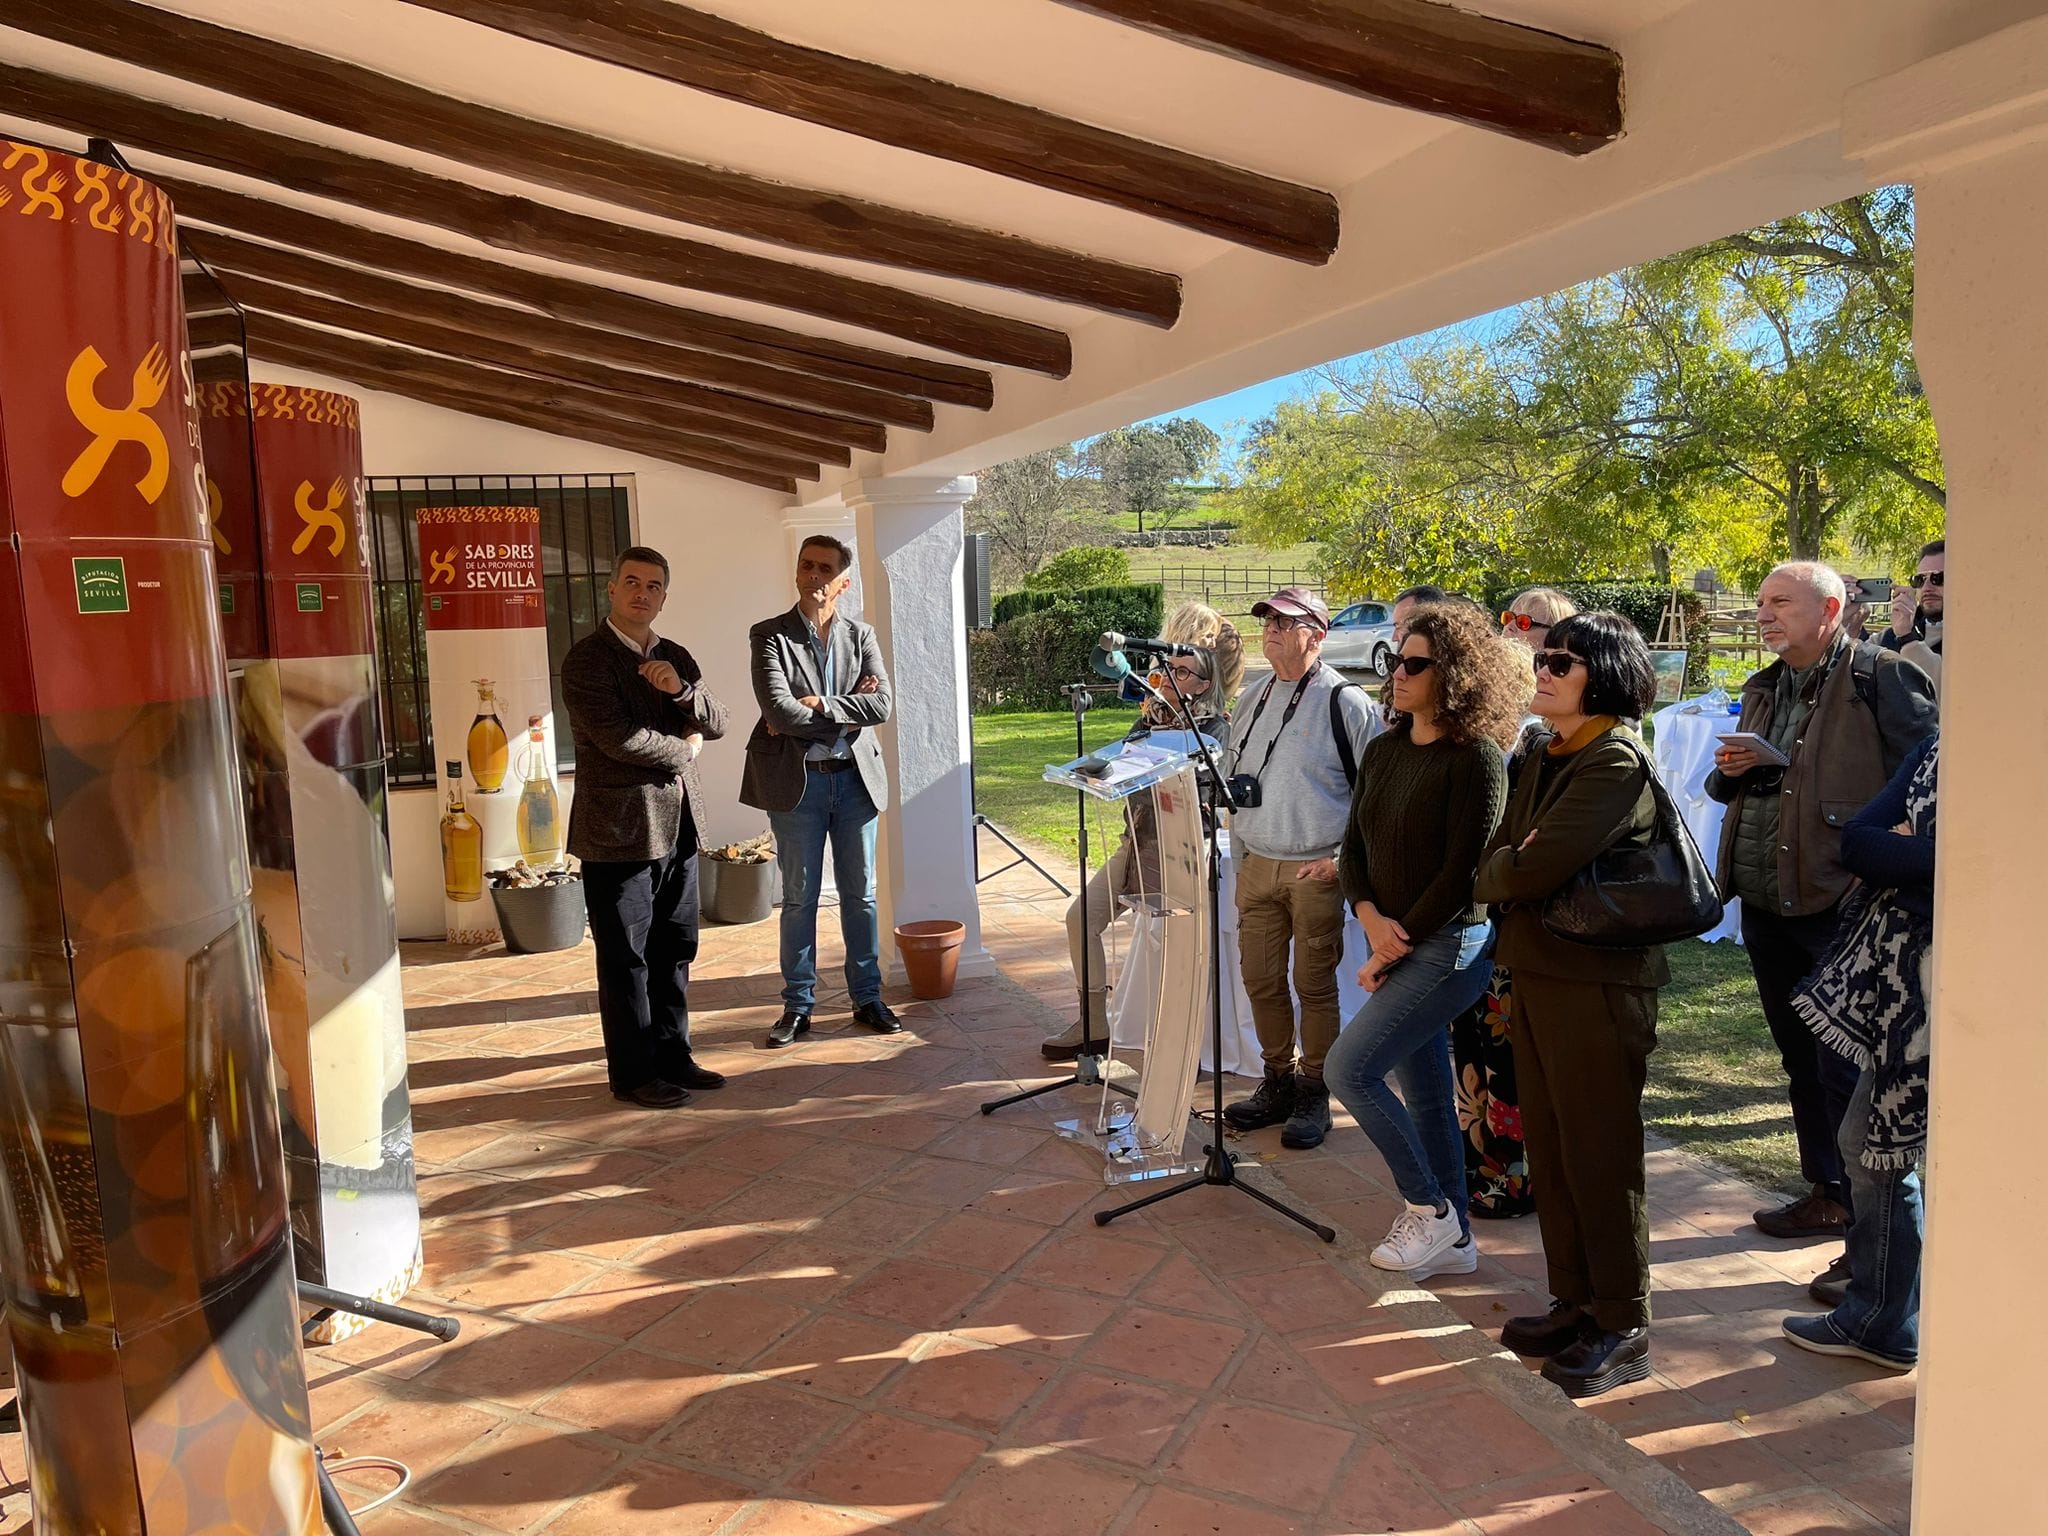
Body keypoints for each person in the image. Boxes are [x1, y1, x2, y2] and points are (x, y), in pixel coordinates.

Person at [1707, 562, 1938, 1238]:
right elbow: (1731, 789)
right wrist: (1732, 771)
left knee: (1848, 1070)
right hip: (1767, 902)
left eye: (1780, 602)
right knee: (1799, 1059)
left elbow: (1930, 775)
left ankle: (1871, 1243)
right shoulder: (1765, 685)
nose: (1763, 615)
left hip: (1845, 906)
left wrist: (1884, 851)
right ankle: (1828, 1193)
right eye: (1761, 603)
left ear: (1831, 610)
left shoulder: (1881, 676)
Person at [1474, 613, 1666, 1398]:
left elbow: (1526, 867)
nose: (1543, 670)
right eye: (1543, 657)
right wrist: (1507, 866)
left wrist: (1506, 868)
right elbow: (1502, 850)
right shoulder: (1546, 752)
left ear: (1605, 675)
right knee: (1552, 1150)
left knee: (1599, 1152)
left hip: (1597, 984)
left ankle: (1623, 1322)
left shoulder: (1614, 758)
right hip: (1539, 970)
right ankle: (1577, 1302)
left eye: (1562, 661)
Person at [1328, 601, 1526, 1280]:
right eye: (1395, 661)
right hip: (1389, 936)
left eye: (1416, 664)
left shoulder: (1478, 760)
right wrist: (1369, 919)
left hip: (1448, 947)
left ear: (1457, 675)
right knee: (1428, 1096)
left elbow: (1465, 873)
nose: (1398, 674)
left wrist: (1394, 943)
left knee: (1348, 1071)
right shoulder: (1383, 749)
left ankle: (1429, 1208)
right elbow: (1353, 848)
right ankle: (1458, 1238)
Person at [1782, 732, 1938, 1372]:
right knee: (1870, 1147)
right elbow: (1857, 842)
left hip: (1951, 994)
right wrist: (1922, 852)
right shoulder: (1936, 749)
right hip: (1902, 999)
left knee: (1885, 1153)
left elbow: (1983, 858)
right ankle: (1884, 1314)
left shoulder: (2005, 754)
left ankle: (1886, 1318)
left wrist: (1913, 850)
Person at [563, 546, 731, 1110]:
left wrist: (680, 692)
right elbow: (620, 739)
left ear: (664, 597)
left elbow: (719, 720)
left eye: (654, 585)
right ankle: (634, 1075)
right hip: (618, 833)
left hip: (679, 827)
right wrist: (686, 750)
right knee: (625, 958)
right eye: (632, 582)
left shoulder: (675, 655)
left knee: (675, 947)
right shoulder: (587, 661)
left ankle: (673, 1056)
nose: (642, 593)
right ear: (611, 589)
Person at [1220, 586, 1382, 1150]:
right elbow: (1236, 787)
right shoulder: (1253, 697)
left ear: (1318, 634)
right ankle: (1278, 1081)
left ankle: (1314, 1089)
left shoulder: (1346, 702)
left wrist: (1339, 862)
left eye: (1285, 622)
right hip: (1257, 864)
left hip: (1315, 872)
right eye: (1267, 620)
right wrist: (1243, 857)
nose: (1270, 629)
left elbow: (1377, 797)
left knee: (1313, 985)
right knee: (1260, 980)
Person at [1044, 603, 1244, 1060]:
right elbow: (1124, 765)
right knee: (1081, 918)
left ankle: (1183, 1044)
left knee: (1178, 946)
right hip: (1136, 843)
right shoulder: (1148, 721)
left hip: (1187, 851)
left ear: (1204, 684)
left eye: (1182, 673)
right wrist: (1098, 772)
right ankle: (1093, 1023)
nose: (1167, 679)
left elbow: (1202, 784)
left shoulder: (1215, 728)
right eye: (1166, 670)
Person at [1450, 587, 1581, 1219]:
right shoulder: (1493, 716)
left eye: (1530, 622)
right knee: (1474, 1046)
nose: (1513, 630)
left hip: (1526, 916)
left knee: (1513, 1053)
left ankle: (1515, 1180)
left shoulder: (1555, 733)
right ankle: (1481, 1172)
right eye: (1508, 617)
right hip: (1478, 911)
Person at [741, 534, 897, 1048]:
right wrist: (849, 711)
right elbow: (778, 710)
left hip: (855, 783)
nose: (813, 575)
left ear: (842, 582)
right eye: (806, 565)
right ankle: (798, 1005)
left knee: (862, 896)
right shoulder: (769, 635)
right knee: (799, 898)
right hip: (798, 786)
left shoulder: (862, 635)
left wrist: (823, 704)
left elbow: (883, 705)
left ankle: (867, 998)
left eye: (824, 569)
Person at [1878, 539, 1944, 656]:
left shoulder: (1973, 634)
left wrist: (1907, 637)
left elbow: (1940, 668)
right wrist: (1852, 624)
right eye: (1920, 580)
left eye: (1938, 578)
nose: (1926, 587)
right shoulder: (1891, 634)